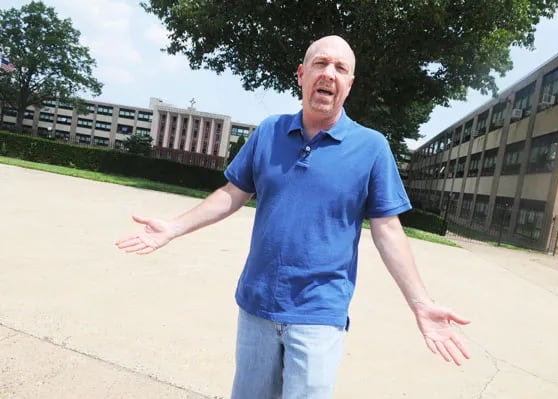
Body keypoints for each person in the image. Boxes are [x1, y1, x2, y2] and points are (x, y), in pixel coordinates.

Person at [115, 35, 470, 399]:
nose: (329, 73)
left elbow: (388, 230)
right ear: (301, 74)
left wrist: (421, 304)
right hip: (256, 307)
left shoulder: (372, 148)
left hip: (319, 314)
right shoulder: (269, 131)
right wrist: (173, 228)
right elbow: (233, 193)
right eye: (320, 63)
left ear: (350, 84)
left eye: (340, 68)